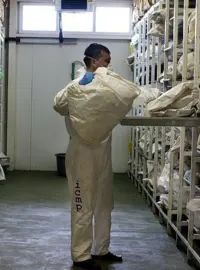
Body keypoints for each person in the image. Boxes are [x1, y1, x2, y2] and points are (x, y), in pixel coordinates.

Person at [53, 43, 123, 270]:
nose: (109, 64)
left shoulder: (108, 85)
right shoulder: (77, 86)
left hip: (103, 151)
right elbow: (59, 105)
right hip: (82, 151)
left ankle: (101, 249)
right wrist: (80, 85)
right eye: (106, 60)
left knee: (104, 202)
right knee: (83, 203)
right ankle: (80, 255)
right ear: (94, 62)